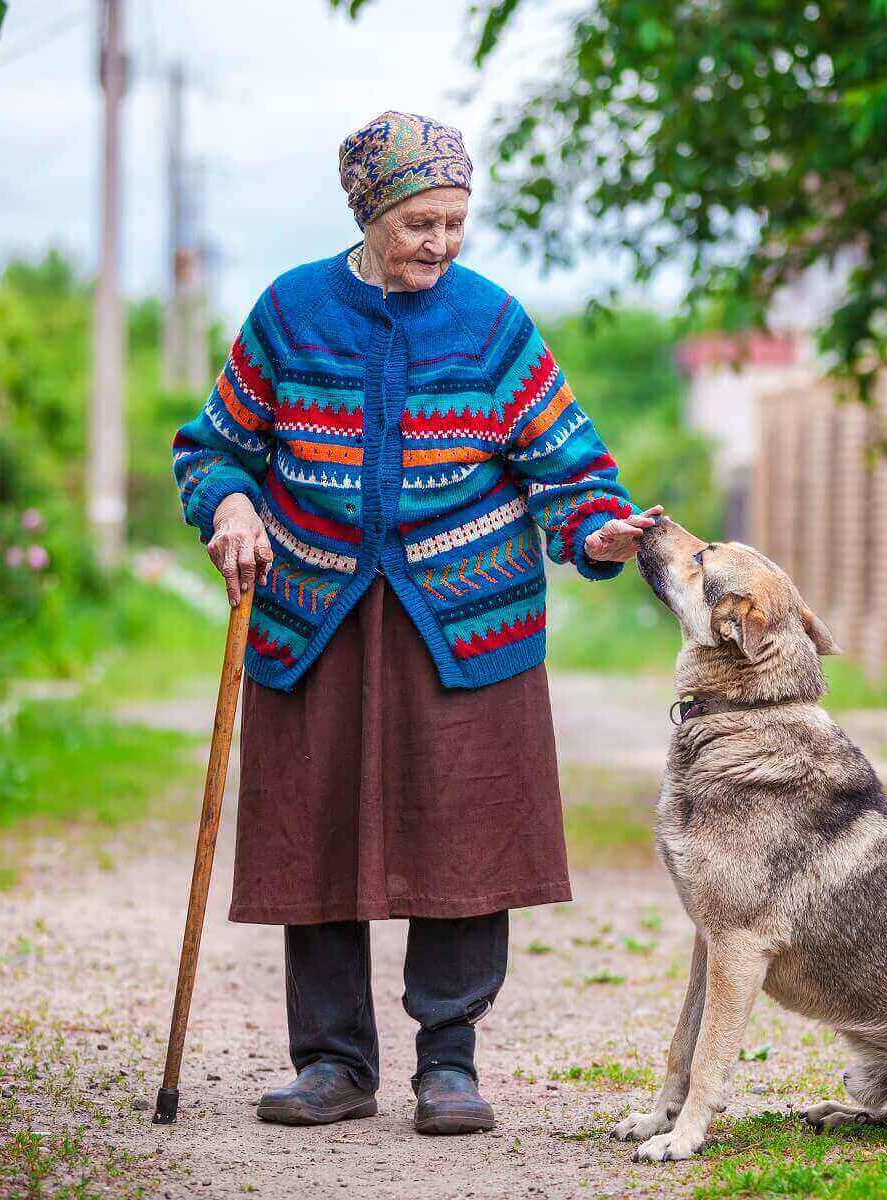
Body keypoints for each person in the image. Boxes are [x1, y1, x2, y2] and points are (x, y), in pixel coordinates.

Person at [169, 111, 660, 1135]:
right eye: (418, 223)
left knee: (468, 832)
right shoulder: (291, 312)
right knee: (315, 833)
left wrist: (601, 535)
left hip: (465, 620)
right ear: (369, 212)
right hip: (314, 613)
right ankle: (336, 1064)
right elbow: (213, 447)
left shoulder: (492, 323)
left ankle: (450, 1064)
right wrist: (230, 507)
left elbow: (571, 473)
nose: (439, 243)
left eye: (454, 221)